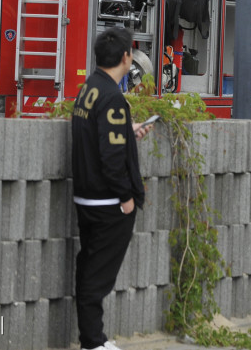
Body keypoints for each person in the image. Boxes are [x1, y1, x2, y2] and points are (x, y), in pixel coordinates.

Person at [71, 27, 149, 350]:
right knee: (96, 276)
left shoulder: (89, 88)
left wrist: (127, 131)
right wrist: (127, 198)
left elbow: (99, 134)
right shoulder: (114, 97)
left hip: (87, 197)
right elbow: (112, 156)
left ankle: (96, 339)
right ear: (126, 57)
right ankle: (93, 343)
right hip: (108, 203)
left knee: (89, 267)